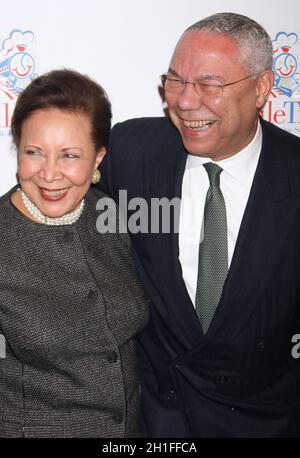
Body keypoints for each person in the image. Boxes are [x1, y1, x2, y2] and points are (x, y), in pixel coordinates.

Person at [100, 12, 300, 437]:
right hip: (153, 424)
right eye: (174, 81)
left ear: (263, 87)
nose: (185, 101)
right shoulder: (129, 152)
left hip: (266, 423)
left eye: (209, 84)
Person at [0, 69, 148, 438]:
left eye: (69, 155)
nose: (50, 174)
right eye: (34, 153)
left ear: (98, 157)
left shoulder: (114, 217)